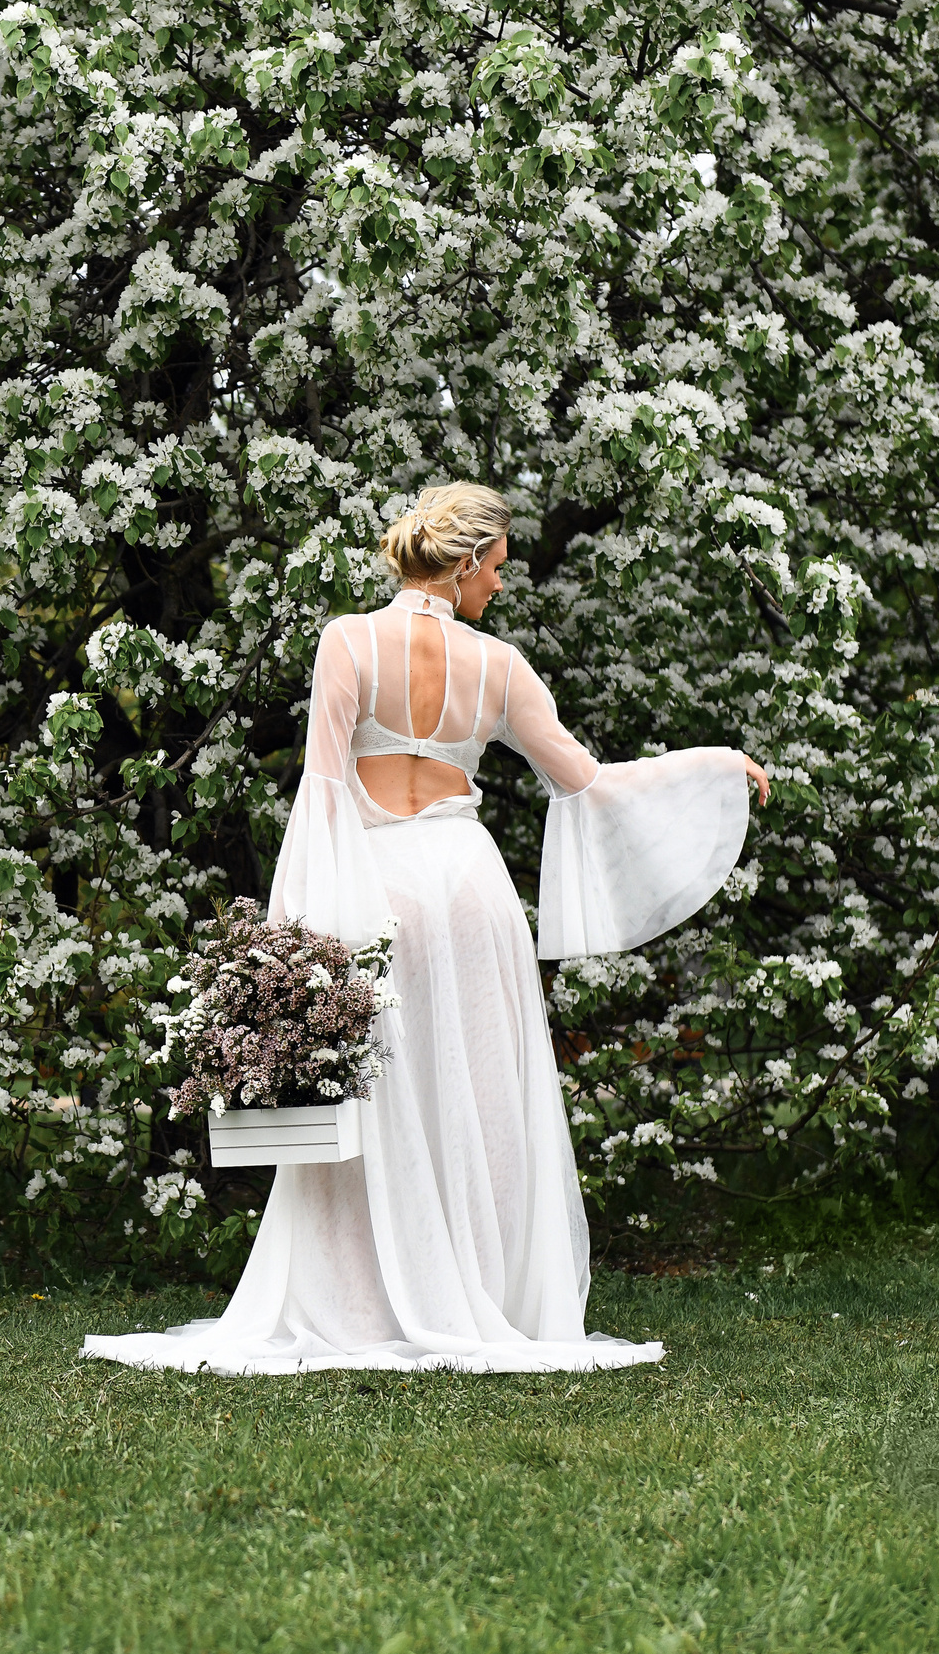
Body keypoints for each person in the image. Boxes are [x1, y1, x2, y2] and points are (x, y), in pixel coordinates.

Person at [84, 483, 771, 1375]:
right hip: (468, 886)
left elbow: (323, 794)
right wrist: (711, 766)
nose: (497, 586)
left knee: (388, 1103)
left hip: (378, 886)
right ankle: (474, 1289)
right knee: (480, 1099)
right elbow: (589, 781)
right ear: (460, 563)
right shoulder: (500, 667)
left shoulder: (349, 641)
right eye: (495, 569)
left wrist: (288, 938)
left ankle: (366, 1305)